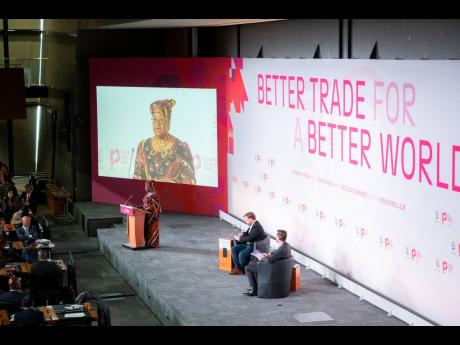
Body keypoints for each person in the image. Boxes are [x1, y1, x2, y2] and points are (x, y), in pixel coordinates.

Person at [133, 99, 196, 184]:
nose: (157, 124)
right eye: (154, 120)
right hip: (147, 196)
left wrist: (168, 184)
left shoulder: (181, 147)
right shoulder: (143, 146)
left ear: (169, 122)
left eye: (161, 120)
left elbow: (191, 181)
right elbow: (137, 178)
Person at [243, 229, 292, 297]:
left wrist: (262, 257)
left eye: (276, 236)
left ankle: (254, 289)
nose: (276, 237)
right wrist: (268, 253)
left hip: (271, 269)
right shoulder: (286, 245)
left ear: (279, 237)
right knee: (252, 264)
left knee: (248, 268)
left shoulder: (282, 249)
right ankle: (256, 287)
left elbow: (270, 260)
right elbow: (277, 252)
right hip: (279, 267)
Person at [140, 180, 161, 248]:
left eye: (146, 186)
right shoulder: (148, 194)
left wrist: (146, 209)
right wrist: (141, 208)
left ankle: (153, 244)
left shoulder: (154, 195)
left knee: (152, 229)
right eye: (145, 185)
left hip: (153, 216)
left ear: (150, 186)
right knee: (147, 229)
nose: (145, 187)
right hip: (147, 215)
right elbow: (146, 204)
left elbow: (156, 206)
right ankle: (148, 243)